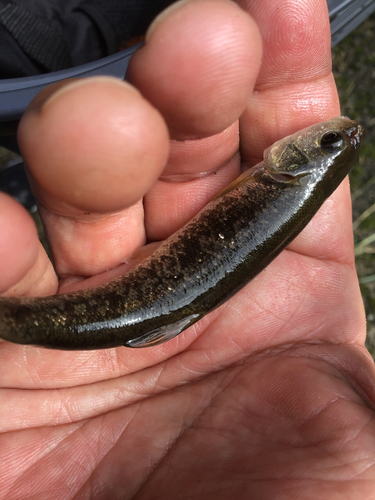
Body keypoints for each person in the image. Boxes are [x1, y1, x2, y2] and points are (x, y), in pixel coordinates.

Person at [0, 0, 374, 497]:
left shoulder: (280, 183)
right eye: (333, 140)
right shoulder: (278, 183)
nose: (333, 133)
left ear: (299, 165)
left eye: (326, 142)